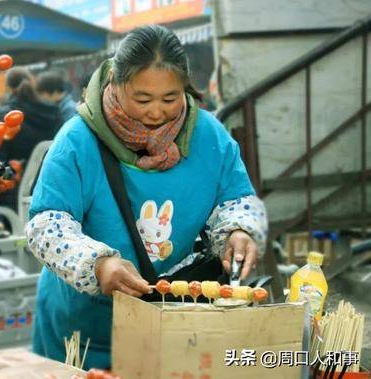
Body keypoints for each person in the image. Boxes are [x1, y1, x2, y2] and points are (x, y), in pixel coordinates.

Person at [25, 25, 268, 369]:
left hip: (171, 321)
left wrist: (239, 231)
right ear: (115, 80)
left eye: (170, 99)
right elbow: (45, 224)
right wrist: (97, 264)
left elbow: (236, 200)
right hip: (83, 330)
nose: (156, 112)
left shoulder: (208, 135)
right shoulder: (78, 140)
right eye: (142, 99)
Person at [0, 68, 67, 213]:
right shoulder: (54, 112)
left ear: (9, 88)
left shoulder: (6, 117)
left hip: (13, 195)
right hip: (49, 188)